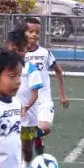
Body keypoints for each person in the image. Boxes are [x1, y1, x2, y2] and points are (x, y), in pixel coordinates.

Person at [24, 18, 69, 156]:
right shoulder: (19, 53)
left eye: (37, 32)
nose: (34, 34)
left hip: (44, 98)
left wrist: (62, 95)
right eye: (30, 31)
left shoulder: (45, 53)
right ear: (23, 32)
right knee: (25, 136)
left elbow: (58, 71)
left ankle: (34, 137)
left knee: (45, 127)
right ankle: (34, 140)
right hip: (27, 99)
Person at [6, 27, 42, 168]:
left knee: (26, 146)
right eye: (14, 49)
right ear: (9, 47)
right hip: (9, 112)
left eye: (20, 50)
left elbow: (35, 93)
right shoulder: (4, 67)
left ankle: (27, 167)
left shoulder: (31, 69)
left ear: (26, 49)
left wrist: (27, 105)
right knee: (9, 144)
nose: (17, 53)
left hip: (28, 115)